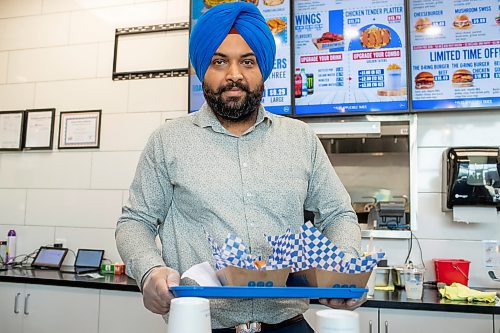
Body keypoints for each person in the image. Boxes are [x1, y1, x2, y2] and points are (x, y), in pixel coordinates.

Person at [116, 2, 363, 332]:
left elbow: (338, 215)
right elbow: (135, 221)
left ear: (263, 69)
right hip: (202, 324)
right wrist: (149, 271)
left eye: (247, 61)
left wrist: (342, 269)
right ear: (203, 69)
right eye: (219, 61)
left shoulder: (300, 138)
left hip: (288, 324)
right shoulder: (168, 141)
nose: (234, 74)